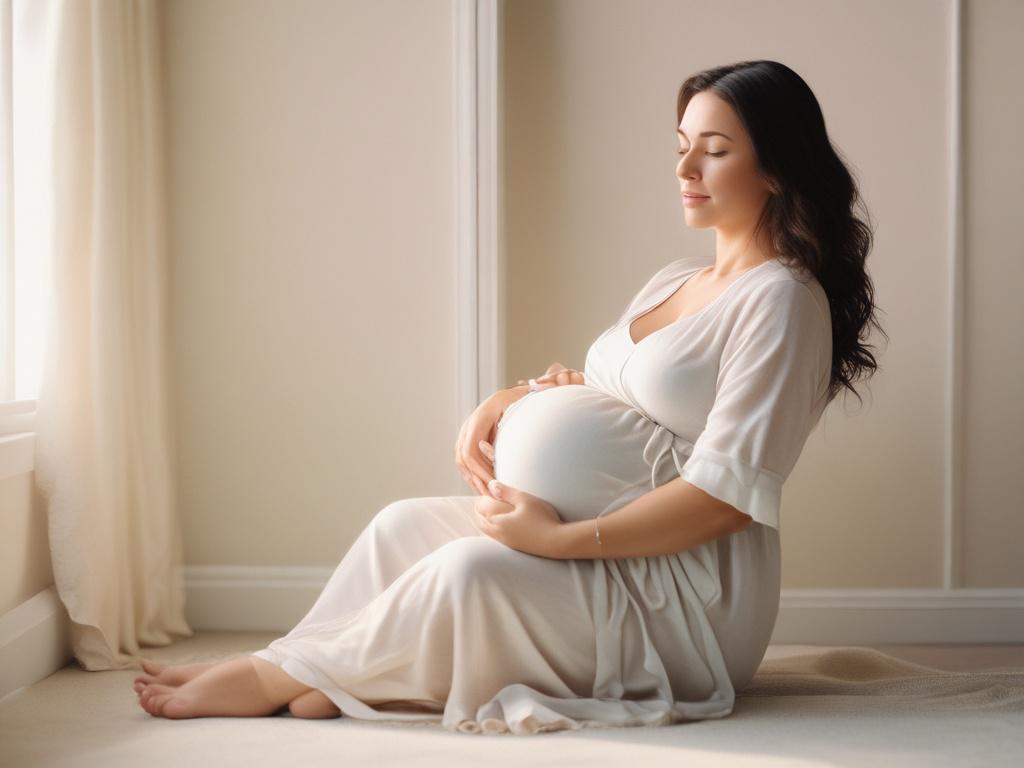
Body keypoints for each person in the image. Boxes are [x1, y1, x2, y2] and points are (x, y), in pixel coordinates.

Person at [132, 59, 884, 734]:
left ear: (778, 168)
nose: (685, 166)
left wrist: (556, 541)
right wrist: (512, 400)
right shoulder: (675, 280)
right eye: (681, 145)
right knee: (399, 527)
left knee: (467, 572)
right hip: (596, 553)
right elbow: (619, 397)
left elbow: (727, 497)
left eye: (714, 150)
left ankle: (276, 678)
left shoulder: (783, 300)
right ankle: (312, 667)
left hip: (685, 593)